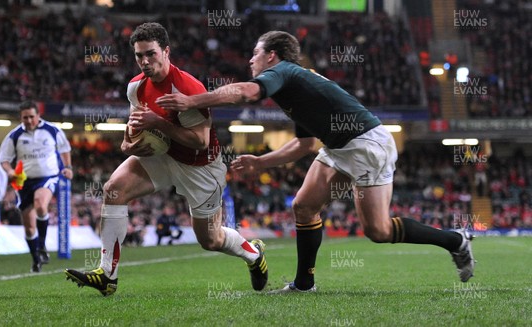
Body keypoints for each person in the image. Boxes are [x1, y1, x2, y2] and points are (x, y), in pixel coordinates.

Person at [156, 30, 475, 292]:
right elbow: (306, 144)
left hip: (365, 144)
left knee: (377, 231)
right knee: (304, 206)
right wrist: (260, 163)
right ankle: (304, 284)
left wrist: (191, 100)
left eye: (256, 52)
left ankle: (455, 241)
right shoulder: (293, 86)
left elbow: (245, 93)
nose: (251, 59)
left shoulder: (284, 72)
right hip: (338, 147)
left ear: (272, 55)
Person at [64, 22, 268, 296]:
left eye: (150, 54)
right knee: (113, 190)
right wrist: (127, 142)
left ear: (166, 51)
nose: (145, 62)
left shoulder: (187, 87)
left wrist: (158, 123)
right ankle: (107, 276)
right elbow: (134, 124)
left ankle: (253, 255)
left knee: (211, 239)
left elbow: (200, 141)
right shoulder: (136, 87)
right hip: (162, 155)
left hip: (200, 166)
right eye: (139, 56)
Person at [0, 101, 73, 272]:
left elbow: (64, 149)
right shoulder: (14, 136)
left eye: (32, 116)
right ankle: (36, 259)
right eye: (25, 117)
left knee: (40, 204)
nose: (29, 120)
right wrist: (9, 171)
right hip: (24, 182)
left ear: (38, 115)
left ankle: (42, 245)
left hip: (47, 177)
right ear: (21, 118)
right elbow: (3, 159)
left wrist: (68, 167)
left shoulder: (52, 130)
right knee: (29, 226)